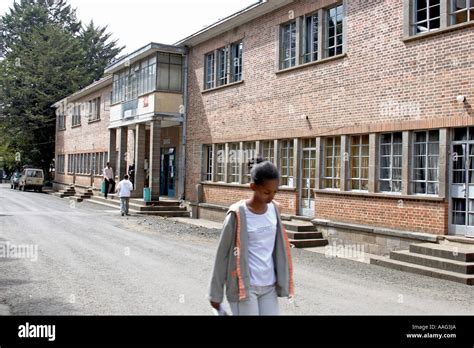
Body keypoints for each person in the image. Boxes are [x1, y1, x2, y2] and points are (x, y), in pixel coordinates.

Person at [208, 158, 294, 316]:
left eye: (275, 192)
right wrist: (216, 293)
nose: (271, 197)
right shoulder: (237, 214)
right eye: (266, 192)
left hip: (269, 286)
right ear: (253, 187)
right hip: (244, 287)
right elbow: (222, 255)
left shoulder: (274, 210)